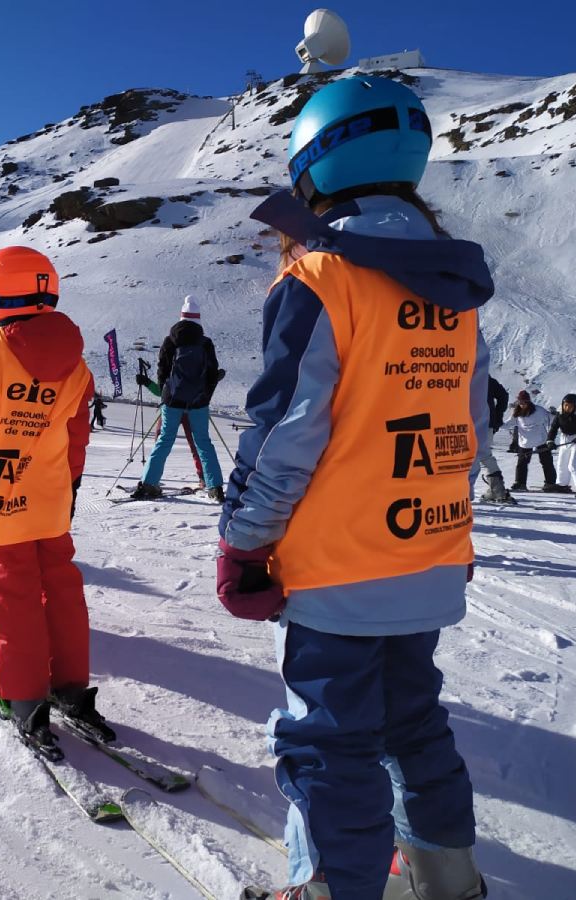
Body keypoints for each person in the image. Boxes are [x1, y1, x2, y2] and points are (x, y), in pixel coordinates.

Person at [219, 76, 490, 899]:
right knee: (415, 726)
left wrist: (243, 537)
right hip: (428, 548)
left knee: (330, 744)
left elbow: (284, 432)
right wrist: (451, 534)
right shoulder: (455, 290)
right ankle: (449, 883)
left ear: (317, 164)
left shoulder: (320, 279)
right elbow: (468, 429)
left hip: (338, 569)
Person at [0, 245, 112, 758]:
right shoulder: (77, 361)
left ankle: (21, 698)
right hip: (51, 498)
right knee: (62, 587)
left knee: (14, 594)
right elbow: (77, 436)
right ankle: (70, 688)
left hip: (2, 497)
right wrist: (72, 486)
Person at [129, 295, 225, 501]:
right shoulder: (206, 343)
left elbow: (162, 371)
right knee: (203, 443)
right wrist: (205, 395)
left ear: (181, 318)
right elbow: (211, 373)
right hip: (198, 402)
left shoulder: (170, 340)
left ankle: (149, 484)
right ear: (198, 320)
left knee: (164, 441)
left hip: (172, 401)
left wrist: (165, 393)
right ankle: (214, 486)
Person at [135, 367, 207, 487]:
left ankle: (150, 480)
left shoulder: (173, 358)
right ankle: (204, 478)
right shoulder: (196, 358)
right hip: (189, 409)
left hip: (173, 408)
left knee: (161, 443)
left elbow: (161, 390)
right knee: (195, 444)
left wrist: (146, 382)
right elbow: (161, 390)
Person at [508, 390, 561, 492]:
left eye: (524, 402)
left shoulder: (538, 410)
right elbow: (508, 423)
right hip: (525, 442)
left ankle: (550, 483)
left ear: (529, 401)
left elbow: (552, 418)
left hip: (541, 439)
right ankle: (520, 483)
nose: (522, 404)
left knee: (546, 462)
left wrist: (558, 416)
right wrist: (495, 424)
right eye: (520, 402)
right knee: (522, 463)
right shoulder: (517, 413)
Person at [546, 393, 576, 498]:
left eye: (570, 406)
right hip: (565, 438)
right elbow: (553, 429)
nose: (567, 408)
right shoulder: (559, 415)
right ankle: (562, 484)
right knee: (561, 462)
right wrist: (550, 441)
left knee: (573, 464)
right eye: (566, 405)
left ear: (575, 406)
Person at [474, 375, 514, 503]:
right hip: (486, 424)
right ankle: (497, 490)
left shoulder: (458, 372)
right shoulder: (485, 377)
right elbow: (503, 395)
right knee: (484, 456)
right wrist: (496, 417)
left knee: (470, 457)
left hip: (467, 424)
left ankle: (455, 494)